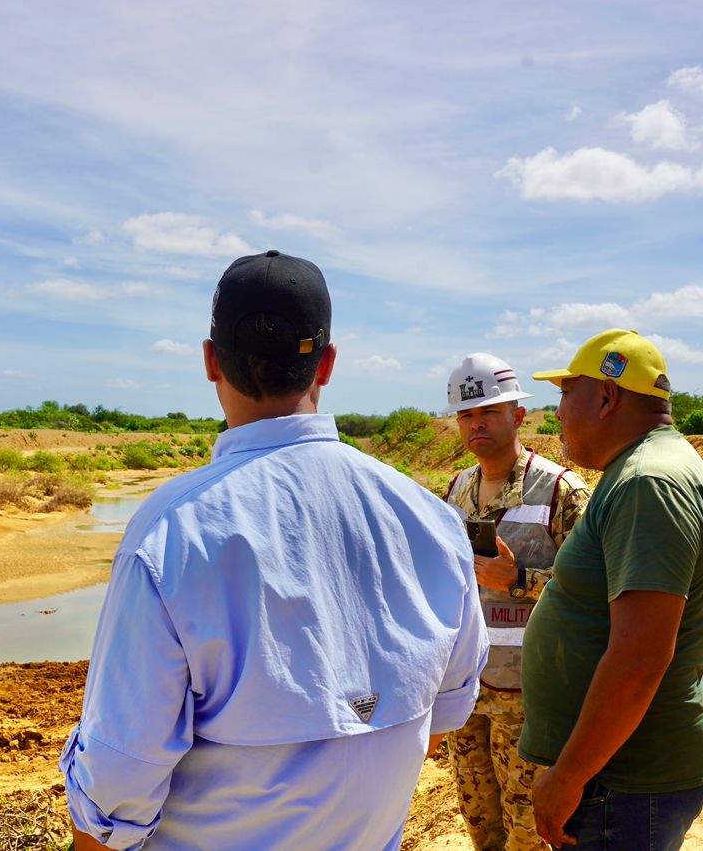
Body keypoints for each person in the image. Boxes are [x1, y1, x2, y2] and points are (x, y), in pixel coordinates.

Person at [60, 250, 488, 850]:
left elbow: (119, 783)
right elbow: (441, 716)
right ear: (329, 363)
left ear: (210, 361)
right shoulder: (433, 521)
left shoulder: (169, 532)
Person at [520, 329, 703, 850]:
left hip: (624, 782)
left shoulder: (647, 482)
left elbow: (640, 656)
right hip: (621, 776)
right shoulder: (646, 469)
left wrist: (568, 776)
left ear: (607, 396)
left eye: (567, 394)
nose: (559, 411)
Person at [440, 352, 591, 850]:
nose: (475, 424)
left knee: (528, 834)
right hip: (468, 694)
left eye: (487, 412)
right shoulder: (458, 488)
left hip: (531, 698)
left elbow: (597, 594)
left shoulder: (560, 492)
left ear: (518, 416)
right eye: (466, 414)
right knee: (480, 823)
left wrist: (521, 578)